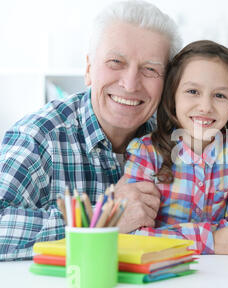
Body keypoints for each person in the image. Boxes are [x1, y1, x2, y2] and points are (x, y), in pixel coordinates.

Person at [0, 0, 182, 261]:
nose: (130, 84)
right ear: (88, 69)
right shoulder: (39, 137)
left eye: (150, 69)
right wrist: (103, 218)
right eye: (116, 61)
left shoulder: (173, 142)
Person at [123, 40, 228, 255]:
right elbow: (132, 234)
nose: (206, 106)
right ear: (172, 96)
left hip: (223, 277)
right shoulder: (146, 154)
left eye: (220, 95)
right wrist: (212, 240)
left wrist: (167, 235)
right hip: (162, 277)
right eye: (193, 91)